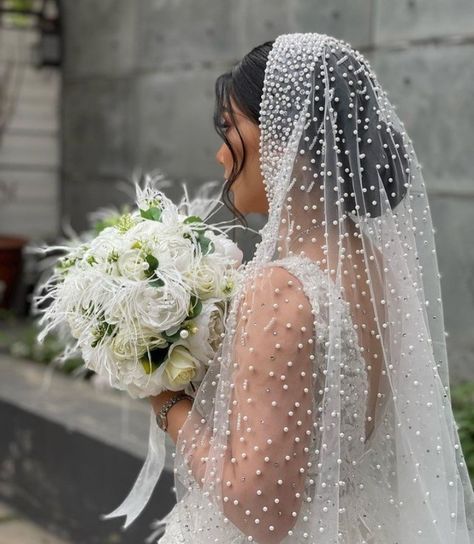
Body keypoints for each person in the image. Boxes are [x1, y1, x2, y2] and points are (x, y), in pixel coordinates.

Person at [146, 32, 474, 543]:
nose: (219, 154)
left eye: (230, 127)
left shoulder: (281, 289)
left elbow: (261, 510)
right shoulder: (378, 266)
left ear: (284, 135)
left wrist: (166, 402)